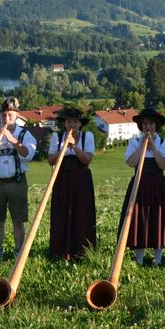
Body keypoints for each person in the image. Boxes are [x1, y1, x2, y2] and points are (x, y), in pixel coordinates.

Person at [0, 96, 38, 260]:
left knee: (18, 221)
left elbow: (28, 154)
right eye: (3, 115)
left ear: (17, 115)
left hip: (17, 182)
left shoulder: (24, 134)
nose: (6, 118)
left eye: (10, 114)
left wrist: (12, 140)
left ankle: (18, 254)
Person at [119, 108, 165, 266]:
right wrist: (142, 148)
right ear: (141, 126)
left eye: (151, 124)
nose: (148, 127)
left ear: (156, 125)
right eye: (145, 124)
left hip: (158, 185)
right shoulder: (134, 142)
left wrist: (153, 148)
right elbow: (130, 162)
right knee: (138, 219)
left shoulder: (164, 142)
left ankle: (157, 259)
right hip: (139, 185)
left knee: (157, 218)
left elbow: (164, 165)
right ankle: (139, 259)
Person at [48, 107, 96, 260]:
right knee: (61, 212)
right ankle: (60, 252)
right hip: (62, 177)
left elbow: (87, 159)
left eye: (75, 122)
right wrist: (63, 148)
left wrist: (74, 146)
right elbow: (51, 160)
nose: (72, 125)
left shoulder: (87, 136)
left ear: (80, 124)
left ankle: (81, 252)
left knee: (81, 213)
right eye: (69, 122)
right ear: (64, 123)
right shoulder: (57, 137)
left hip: (81, 179)